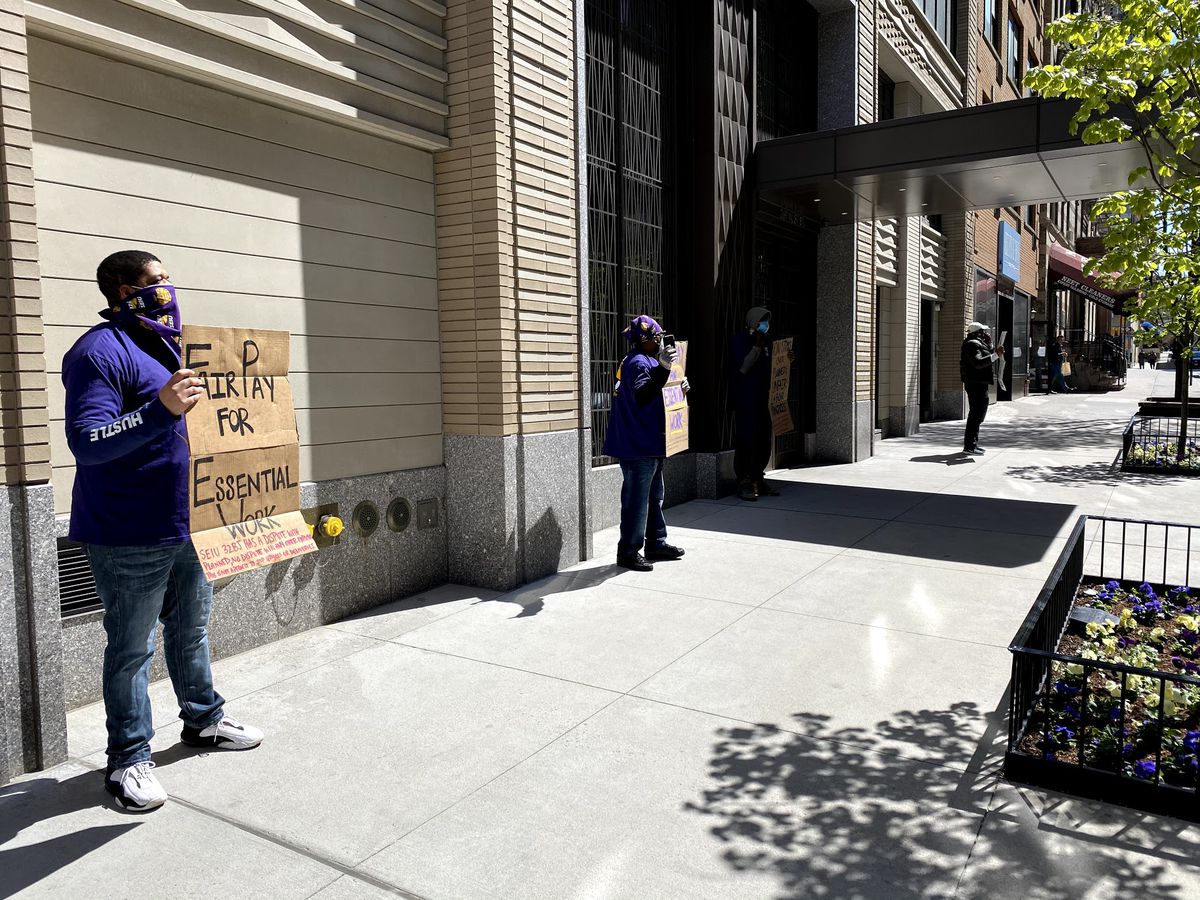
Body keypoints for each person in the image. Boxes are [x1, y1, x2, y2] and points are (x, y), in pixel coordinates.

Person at [63, 250, 263, 812]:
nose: (167, 290)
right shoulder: (98, 352)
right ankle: (128, 759)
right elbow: (88, 441)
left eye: (169, 280)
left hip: (188, 521)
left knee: (191, 631)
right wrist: (159, 410)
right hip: (129, 532)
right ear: (122, 290)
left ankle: (203, 721)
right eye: (155, 282)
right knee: (131, 649)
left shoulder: (170, 346)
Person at [602, 314, 690, 571]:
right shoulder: (638, 362)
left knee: (654, 497)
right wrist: (664, 369)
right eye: (657, 338)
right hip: (637, 443)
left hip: (651, 441)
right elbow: (644, 393)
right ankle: (628, 552)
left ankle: (655, 543)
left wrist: (679, 383)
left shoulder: (650, 359)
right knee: (636, 501)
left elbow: (661, 388)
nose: (662, 341)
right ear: (644, 340)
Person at [729, 306, 792, 501]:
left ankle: (758, 478)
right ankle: (744, 481)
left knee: (763, 439)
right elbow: (743, 368)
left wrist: (787, 360)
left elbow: (775, 367)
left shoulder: (768, 341)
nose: (765, 325)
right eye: (762, 321)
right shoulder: (741, 340)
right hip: (747, 399)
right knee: (747, 438)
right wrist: (756, 346)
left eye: (767, 321)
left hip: (764, 398)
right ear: (753, 322)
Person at [960, 321, 1004, 456]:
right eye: (983, 332)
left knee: (978, 415)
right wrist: (996, 354)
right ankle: (969, 447)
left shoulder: (978, 344)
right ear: (977, 333)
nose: (985, 334)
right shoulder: (971, 344)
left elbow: (986, 355)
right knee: (975, 415)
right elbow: (978, 363)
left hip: (980, 383)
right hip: (975, 383)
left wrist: (991, 346)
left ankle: (972, 445)